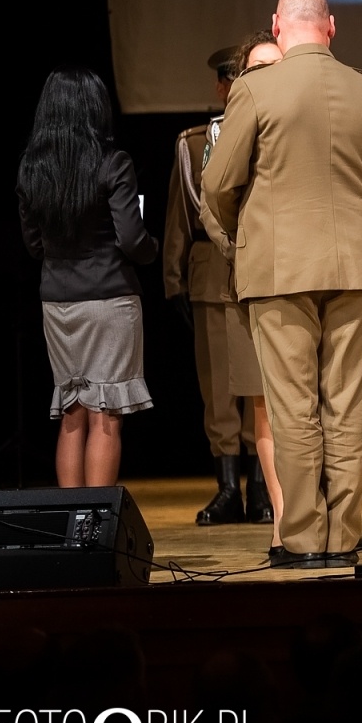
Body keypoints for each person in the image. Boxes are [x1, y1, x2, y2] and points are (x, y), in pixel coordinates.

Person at [202, 0, 362, 569]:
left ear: (277, 26)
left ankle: (306, 540)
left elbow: (217, 183)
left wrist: (248, 234)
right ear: (330, 26)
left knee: (292, 408)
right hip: (352, 265)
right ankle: (344, 537)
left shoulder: (256, 88)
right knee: (346, 405)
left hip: (280, 268)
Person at [17, 68, 158, 486]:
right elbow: (132, 239)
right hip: (110, 301)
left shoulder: (31, 168)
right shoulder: (112, 163)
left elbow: (33, 245)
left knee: (71, 414)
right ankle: (95, 531)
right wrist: (152, 249)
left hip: (58, 305)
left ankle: (72, 529)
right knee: (106, 415)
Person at [163, 46, 264, 524]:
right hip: (210, 270)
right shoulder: (194, 141)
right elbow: (180, 219)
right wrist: (173, 279)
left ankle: (263, 488)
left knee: (261, 386)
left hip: (263, 264)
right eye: (231, 81)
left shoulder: (269, 130)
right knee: (218, 389)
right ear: (222, 87)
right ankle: (228, 489)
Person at [202, 32, 290, 557]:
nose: (265, 76)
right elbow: (213, 205)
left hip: (304, 274)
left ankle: (312, 512)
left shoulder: (301, 118)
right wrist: (247, 246)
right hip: (249, 278)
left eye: (274, 66)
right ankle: (282, 517)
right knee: (264, 409)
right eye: (255, 68)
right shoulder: (222, 131)